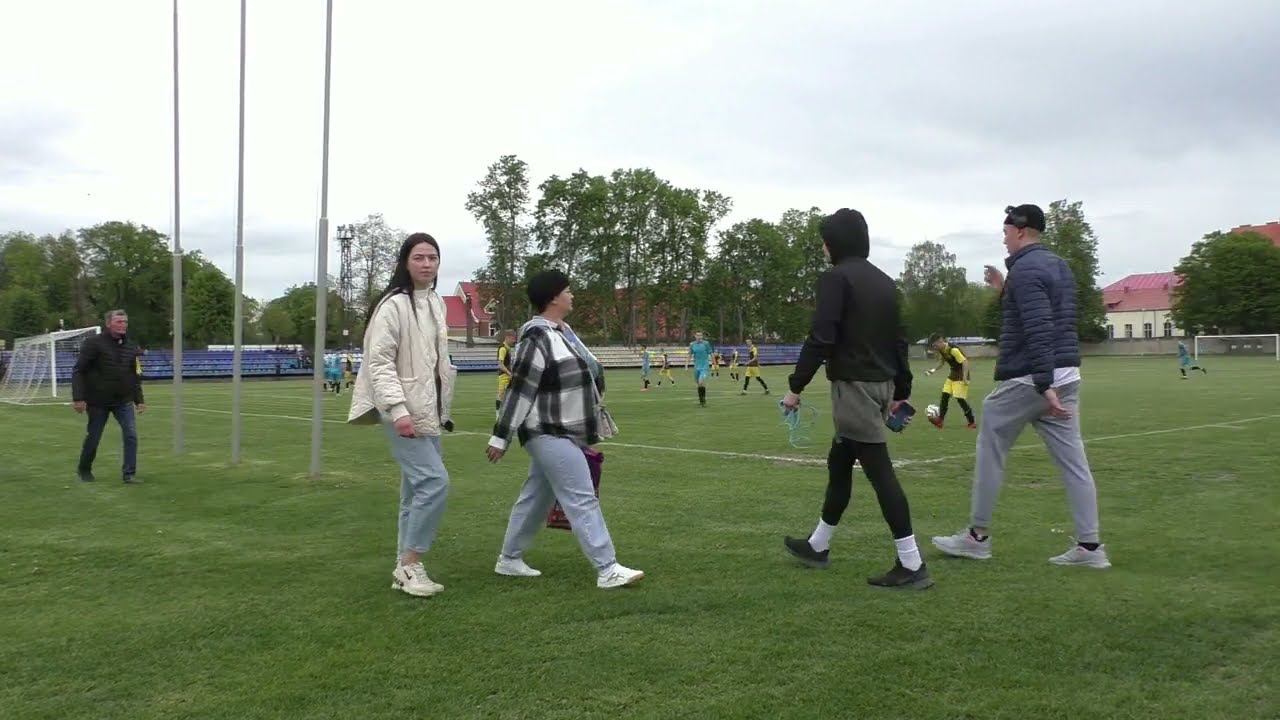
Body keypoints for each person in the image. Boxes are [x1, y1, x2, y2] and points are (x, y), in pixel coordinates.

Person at [932, 204, 1109, 568]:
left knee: (991, 444)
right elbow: (1046, 314)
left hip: (1033, 378)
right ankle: (1091, 548)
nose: (1004, 237)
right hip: (1066, 375)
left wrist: (1044, 383)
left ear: (1022, 231)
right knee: (1074, 462)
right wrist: (1004, 289)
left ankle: (976, 538)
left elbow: (1039, 327)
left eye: (1006, 231)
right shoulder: (1056, 266)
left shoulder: (1026, 270)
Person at [780, 208, 932, 590]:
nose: (823, 249)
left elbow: (821, 336)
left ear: (835, 242)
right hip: (882, 385)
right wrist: (902, 390)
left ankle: (912, 563)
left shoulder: (835, 278)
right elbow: (899, 339)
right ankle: (818, 545)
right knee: (840, 463)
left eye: (824, 242)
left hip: (854, 388)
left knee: (880, 471)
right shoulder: (885, 282)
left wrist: (795, 387)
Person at [487, 269, 643, 590]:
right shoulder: (537, 337)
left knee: (535, 497)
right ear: (553, 297)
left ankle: (509, 559)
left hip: (563, 429)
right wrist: (501, 437)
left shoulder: (562, 334)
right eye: (568, 290)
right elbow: (520, 389)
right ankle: (607, 568)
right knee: (581, 496)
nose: (572, 295)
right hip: (546, 429)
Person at [348, 233, 458, 597]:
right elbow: (379, 362)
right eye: (419, 257)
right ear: (405, 262)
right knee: (434, 482)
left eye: (432, 257)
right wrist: (398, 409)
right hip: (402, 411)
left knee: (414, 491)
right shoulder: (393, 305)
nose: (427, 264)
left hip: (428, 410)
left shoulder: (436, 303)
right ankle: (411, 564)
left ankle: (403, 569)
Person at [72, 309, 146, 484]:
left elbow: (134, 375)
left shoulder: (131, 346)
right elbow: (79, 370)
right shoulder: (93, 343)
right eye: (119, 321)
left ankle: (129, 474)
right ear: (108, 324)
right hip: (98, 401)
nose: (123, 325)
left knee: (131, 435)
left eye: (125, 322)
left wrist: (139, 400)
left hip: (123, 400)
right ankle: (84, 469)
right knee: (94, 437)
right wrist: (78, 398)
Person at [925, 334, 977, 429]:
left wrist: (965, 378)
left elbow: (965, 362)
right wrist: (933, 370)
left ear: (940, 341)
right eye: (933, 346)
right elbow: (942, 362)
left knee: (959, 398)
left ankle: (972, 422)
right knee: (945, 395)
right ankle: (940, 420)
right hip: (953, 374)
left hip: (961, 375)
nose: (935, 348)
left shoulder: (953, 350)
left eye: (935, 345)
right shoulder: (942, 350)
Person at [687, 331, 714, 407]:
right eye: (697, 335)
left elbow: (711, 353)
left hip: (704, 366)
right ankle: (701, 400)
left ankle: (703, 401)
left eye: (700, 335)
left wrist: (714, 363)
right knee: (699, 384)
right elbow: (690, 354)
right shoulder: (692, 344)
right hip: (696, 367)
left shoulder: (706, 344)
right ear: (695, 336)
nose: (699, 337)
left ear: (702, 336)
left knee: (701, 381)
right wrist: (686, 364)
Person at [496, 329, 516, 414]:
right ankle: (498, 414)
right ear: (507, 337)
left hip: (508, 376)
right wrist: (509, 373)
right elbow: (500, 364)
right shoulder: (503, 349)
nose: (514, 341)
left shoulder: (508, 348)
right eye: (513, 338)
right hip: (504, 376)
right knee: (501, 395)